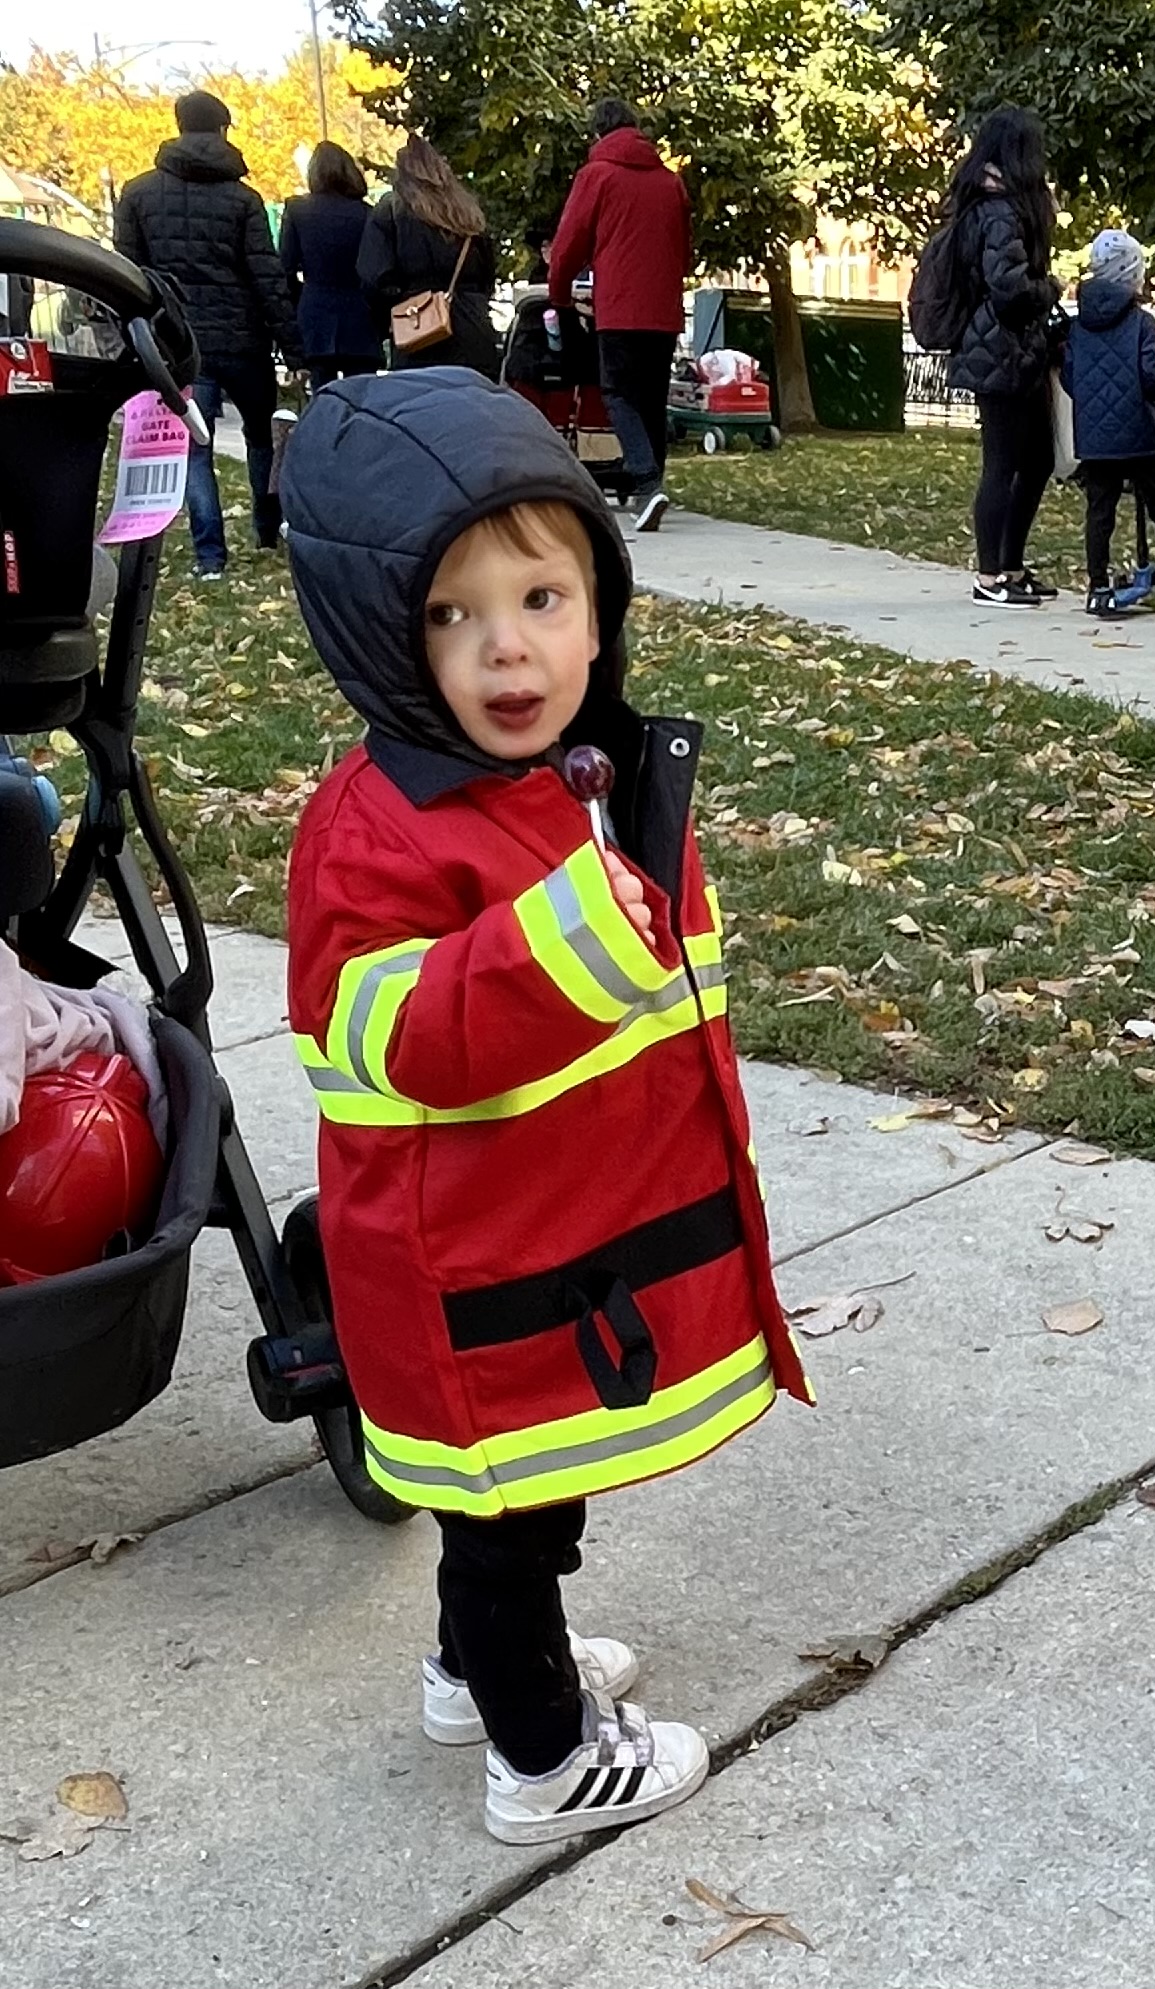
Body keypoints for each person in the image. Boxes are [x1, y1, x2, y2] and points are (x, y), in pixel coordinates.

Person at [278, 369, 811, 1842]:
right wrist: (559, 939)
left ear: (601, 595)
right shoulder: (377, 831)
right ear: (380, 641)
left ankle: (472, 1669)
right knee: (506, 1519)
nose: (509, 647)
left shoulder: (575, 775)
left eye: (543, 594)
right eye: (449, 615)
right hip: (465, 1277)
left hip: (549, 1252)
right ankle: (543, 1759)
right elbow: (386, 1036)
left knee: (518, 1510)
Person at [112, 90, 303, 579]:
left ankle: (210, 556)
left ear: (178, 127)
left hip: (177, 342)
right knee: (261, 436)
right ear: (222, 131)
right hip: (243, 338)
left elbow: (128, 274)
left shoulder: (137, 194)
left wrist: (137, 338)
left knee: (194, 445)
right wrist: (292, 342)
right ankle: (266, 529)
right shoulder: (244, 200)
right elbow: (266, 277)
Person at [549, 100, 694, 535]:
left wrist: (560, 295)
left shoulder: (597, 176)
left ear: (598, 134)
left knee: (618, 393)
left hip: (619, 305)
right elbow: (684, 249)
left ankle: (647, 482)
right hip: (663, 307)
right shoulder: (671, 183)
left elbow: (569, 241)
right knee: (651, 396)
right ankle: (651, 485)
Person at [943, 106, 1062, 608]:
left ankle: (1010, 565)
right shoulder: (997, 212)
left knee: (1036, 460)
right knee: (1002, 463)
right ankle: (990, 574)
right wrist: (1050, 287)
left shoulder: (1000, 205)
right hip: (999, 349)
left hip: (1015, 350)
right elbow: (1009, 287)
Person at [1062, 230, 1155, 620]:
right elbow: (1150, 375)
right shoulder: (1141, 322)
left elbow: (1070, 376)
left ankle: (1097, 586)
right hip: (1137, 431)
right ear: (1131, 273)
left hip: (1094, 436)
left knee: (1100, 508)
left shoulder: (1079, 323)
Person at [357, 138, 498, 379]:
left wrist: (393, 316)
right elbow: (487, 276)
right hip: (474, 333)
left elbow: (374, 280)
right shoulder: (468, 213)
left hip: (418, 333)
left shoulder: (391, 212)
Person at [278, 141, 381, 389]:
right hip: (361, 317)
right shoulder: (368, 214)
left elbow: (285, 269)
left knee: (323, 396)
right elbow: (377, 271)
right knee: (362, 399)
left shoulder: (297, 210)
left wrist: (298, 303)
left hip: (315, 313)